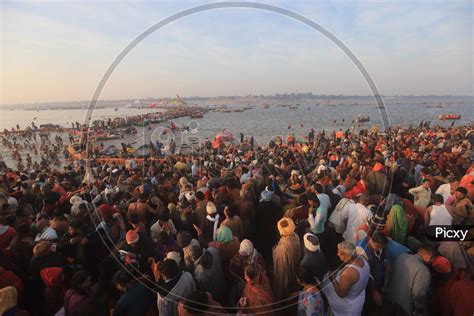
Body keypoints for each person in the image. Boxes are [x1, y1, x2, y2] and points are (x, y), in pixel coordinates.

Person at [322, 241, 370, 316]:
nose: (337, 254)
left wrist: (333, 278)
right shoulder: (362, 258)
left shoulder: (349, 273)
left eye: (340, 254)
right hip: (358, 296)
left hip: (348, 305)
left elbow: (341, 294)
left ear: (349, 257)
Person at [387, 244, 433, 316]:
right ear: (428, 256)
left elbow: (390, 274)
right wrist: (420, 310)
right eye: (432, 259)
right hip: (403, 309)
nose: (432, 262)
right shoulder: (423, 270)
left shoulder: (402, 256)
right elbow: (418, 294)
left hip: (390, 299)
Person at [272, 217, 301, 302]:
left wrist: (274, 252)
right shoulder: (295, 236)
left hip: (286, 272)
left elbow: (281, 269)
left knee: (283, 284)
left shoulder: (282, 249)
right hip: (294, 267)